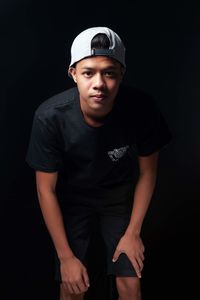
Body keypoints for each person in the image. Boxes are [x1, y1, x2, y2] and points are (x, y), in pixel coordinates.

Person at [26, 26, 172, 300]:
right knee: (72, 285)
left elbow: (148, 172)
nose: (99, 84)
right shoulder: (49, 117)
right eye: (88, 72)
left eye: (109, 73)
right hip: (71, 200)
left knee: (130, 281)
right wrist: (66, 257)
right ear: (73, 74)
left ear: (121, 75)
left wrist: (133, 232)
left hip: (117, 197)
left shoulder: (142, 108)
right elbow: (46, 189)